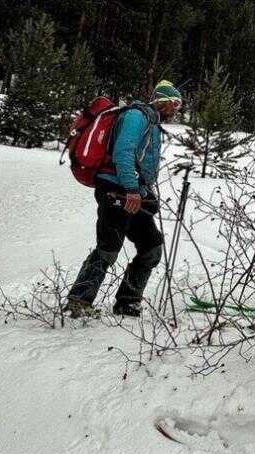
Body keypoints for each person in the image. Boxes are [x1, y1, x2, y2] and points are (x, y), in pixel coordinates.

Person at [65, 80, 182, 318]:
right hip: (116, 189)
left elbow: (142, 162)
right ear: (163, 100)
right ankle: (78, 302)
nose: (177, 109)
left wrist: (144, 193)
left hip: (133, 192)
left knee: (152, 247)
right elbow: (123, 152)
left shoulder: (151, 122)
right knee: (109, 247)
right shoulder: (136, 117)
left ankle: (128, 302)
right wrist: (132, 189)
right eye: (175, 103)